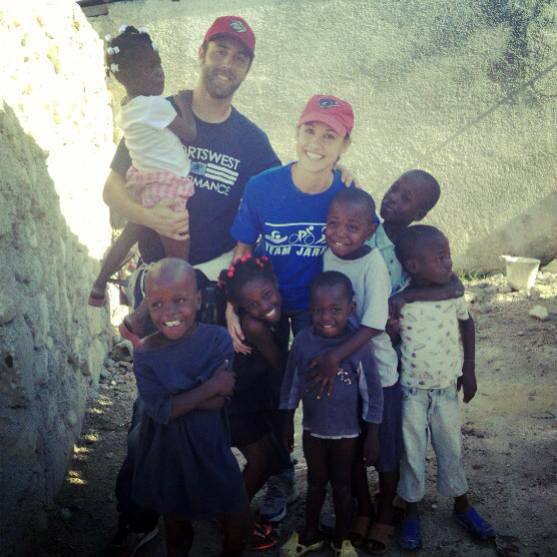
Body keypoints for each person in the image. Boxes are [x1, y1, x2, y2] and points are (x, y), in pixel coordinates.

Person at [102, 16, 283, 555]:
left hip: (212, 290)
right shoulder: (159, 107)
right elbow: (111, 191)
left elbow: (277, 195)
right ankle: (138, 517)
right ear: (202, 52)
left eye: (239, 57)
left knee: (213, 406)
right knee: (150, 411)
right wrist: (149, 217)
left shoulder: (250, 141)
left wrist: (338, 176)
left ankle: (208, 502)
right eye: (220, 50)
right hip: (156, 289)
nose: (226, 63)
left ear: (246, 69)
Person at [310, 169, 464, 554]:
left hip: (393, 356)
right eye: (395, 188)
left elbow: (452, 285)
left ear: (421, 212)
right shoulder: (363, 233)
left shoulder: (416, 243)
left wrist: (404, 300)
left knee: (390, 434)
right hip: (356, 349)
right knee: (358, 432)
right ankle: (367, 505)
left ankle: (391, 503)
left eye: (407, 197)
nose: (394, 197)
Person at [228, 93, 355, 522]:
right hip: (267, 306)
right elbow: (243, 249)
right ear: (296, 132)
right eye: (309, 130)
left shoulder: (348, 195)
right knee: (269, 395)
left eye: (329, 135)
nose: (316, 142)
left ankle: (336, 482)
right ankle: (281, 473)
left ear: (344, 145)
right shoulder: (263, 186)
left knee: (321, 394)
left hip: (316, 313)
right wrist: (231, 306)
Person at [131, 258, 250, 557]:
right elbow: (163, 412)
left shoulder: (218, 340)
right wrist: (210, 386)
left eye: (180, 300)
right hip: (167, 456)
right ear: (146, 305)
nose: (169, 312)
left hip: (211, 448)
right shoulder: (144, 353)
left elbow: (221, 401)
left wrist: (181, 398)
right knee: (177, 532)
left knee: (236, 517)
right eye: (157, 304)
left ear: (198, 299)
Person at [394, 225, 495, 551]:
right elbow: (392, 339)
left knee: (451, 448)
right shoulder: (399, 300)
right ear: (413, 265)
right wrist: (392, 324)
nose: (448, 262)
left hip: (446, 389)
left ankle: (462, 506)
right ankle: (411, 511)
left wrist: (469, 369)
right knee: (412, 453)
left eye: (447, 255)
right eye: (439, 258)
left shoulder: (453, 293)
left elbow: (467, 323)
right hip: (411, 391)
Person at [89, 26, 196, 310]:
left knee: (127, 237)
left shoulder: (128, 107)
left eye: (158, 64)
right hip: (166, 189)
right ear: (127, 76)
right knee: (179, 260)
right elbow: (189, 133)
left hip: (143, 183)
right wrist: (184, 103)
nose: (159, 72)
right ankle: (140, 319)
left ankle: (99, 285)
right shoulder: (156, 106)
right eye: (149, 68)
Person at [279, 271, 383, 557]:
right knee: (314, 483)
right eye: (318, 310)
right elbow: (291, 383)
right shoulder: (302, 341)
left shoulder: (358, 346)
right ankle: (310, 533)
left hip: (347, 434)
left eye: (335, 310)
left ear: (351, 308)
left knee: (341, 485)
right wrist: (287, 420)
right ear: (310, 309)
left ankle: (342, 538)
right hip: (312, 430)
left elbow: (373, 393)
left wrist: (372, 434)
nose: (326, 317)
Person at [321, 188, 400, 553]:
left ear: (370, 230)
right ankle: (363, 509)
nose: (340, 232)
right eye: (333, 223)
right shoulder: (327, 256)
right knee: (350, 447)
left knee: (383, 449)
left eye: (351, 226)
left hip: (379, 374)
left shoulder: (373, 265)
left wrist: (335, 356)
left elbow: (372, 325)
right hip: (347, 376)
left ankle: (384, 513)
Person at [217, 254, 291, 550]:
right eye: (252, 304)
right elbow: (280, 367)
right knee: (261, 462)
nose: (263, 306)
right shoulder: (255, 326)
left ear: (276, 284)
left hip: (254, 400)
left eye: (267, 295)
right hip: (239, 405)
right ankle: (230, 516)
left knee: (268, 460)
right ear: (240, 308)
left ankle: (231, 511)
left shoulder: (274, 315)